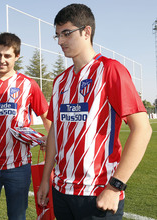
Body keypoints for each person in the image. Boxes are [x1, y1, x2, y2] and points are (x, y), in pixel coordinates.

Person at [37, 3, 152, 220]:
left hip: (98, 193)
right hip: (61, 191)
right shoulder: (60, 81)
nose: (60, 41)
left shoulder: (111, 70)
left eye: (66, 33)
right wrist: (46, 179)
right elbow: (55, 133)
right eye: (57, 35)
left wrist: (115, 187)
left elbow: (143, 129)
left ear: (86, 31)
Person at [0, 32, 51, 220]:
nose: (1, 60)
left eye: (7, 56)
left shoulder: (28, 84)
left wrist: (49, 139)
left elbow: (47, 116)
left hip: (19, 166)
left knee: (17, 217)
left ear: (17, 56)